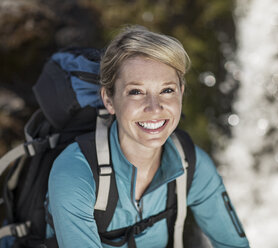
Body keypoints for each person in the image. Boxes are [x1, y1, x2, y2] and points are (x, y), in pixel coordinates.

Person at [45, 26, 250, 248]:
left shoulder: (191, 164)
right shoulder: (75, 171)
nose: (154, 108)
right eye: (136, 92)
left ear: (181, 92)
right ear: (109, 100)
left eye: (167, 90)